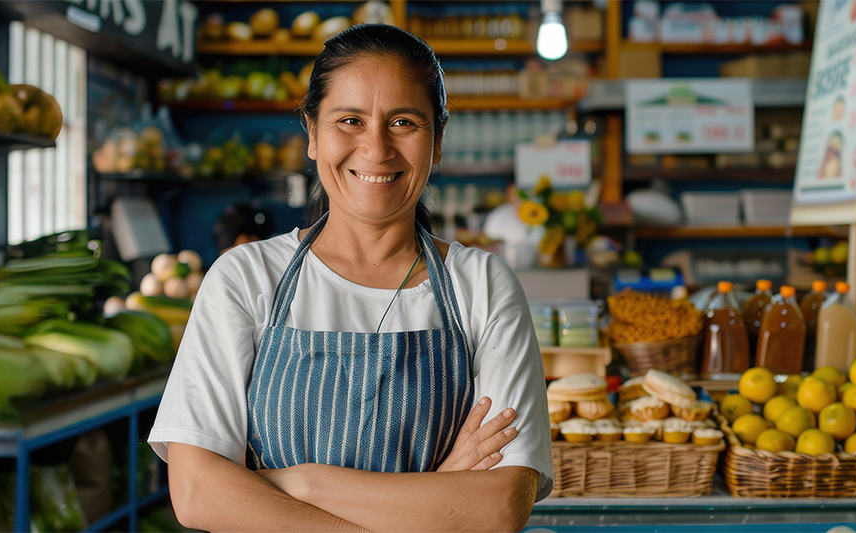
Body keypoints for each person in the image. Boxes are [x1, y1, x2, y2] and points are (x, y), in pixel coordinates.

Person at [148, 24, 553, 532]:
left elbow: (498, 508)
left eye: (404, 122)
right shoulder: (246, 278)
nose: (376, 148)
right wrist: (438, 494)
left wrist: (299, 482)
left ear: (438, 140)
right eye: (350, 120)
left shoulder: (484, 286)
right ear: (313, 133)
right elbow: (197, 492)